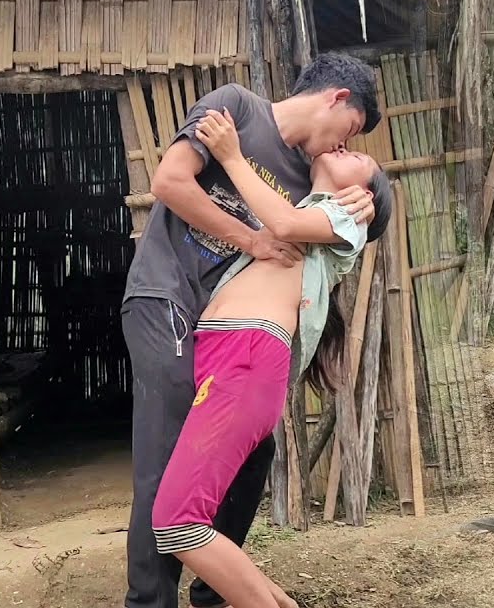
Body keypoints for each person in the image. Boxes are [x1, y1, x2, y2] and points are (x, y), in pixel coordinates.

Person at [121, 53, 382, 608]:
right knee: (166, 451)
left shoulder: (306, 180)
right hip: (167, 293)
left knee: (253, 453)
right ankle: (148, 601)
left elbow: (315, 233)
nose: (342, 146)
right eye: (351, 131)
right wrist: (251, 238)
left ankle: (216, 586)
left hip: (227, 331)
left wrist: (364, 203)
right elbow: (169, 181)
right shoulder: (236, 107)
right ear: (336, 98)